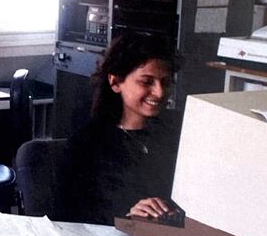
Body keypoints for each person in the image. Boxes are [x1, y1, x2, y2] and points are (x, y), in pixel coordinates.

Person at [62, 32, 182, 225]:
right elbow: (71, 218)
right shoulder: (87, 143)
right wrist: (128, 218)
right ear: (116, 82)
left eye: (166, 82)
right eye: (146, 82)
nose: (160, 92)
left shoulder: (181, 133)